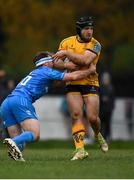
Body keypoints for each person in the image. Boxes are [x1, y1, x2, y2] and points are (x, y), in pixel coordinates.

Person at [0, 51, 96, 162]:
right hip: (20, 100)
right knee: (34, 134)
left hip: (7, 103)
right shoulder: (46, 71)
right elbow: (72, 77)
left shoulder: (37, 72)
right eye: (52, 61)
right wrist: (89, 71)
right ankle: (13, 141)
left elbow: (57, 81)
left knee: (19, 146)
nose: (54, 63)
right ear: (46, 63)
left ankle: (14, 151)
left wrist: (67, 67)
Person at [53, 16, 108, 160]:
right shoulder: (66, 42)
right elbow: (56, 63)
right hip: (72, 83)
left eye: (91, 28)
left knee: (92, 118)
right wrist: (65, 65)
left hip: (90, 83)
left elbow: (85, 60)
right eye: (86, 29)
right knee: (76, 114)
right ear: (79, 30)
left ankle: (97, 134)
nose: (90, 32)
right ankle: (80, 149)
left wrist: (67, 54)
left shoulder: (96, 44)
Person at [100, 72, 115, 143]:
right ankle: (100, 138)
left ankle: (107, 138)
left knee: (107, 124)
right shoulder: (101, 88)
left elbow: (112, 99)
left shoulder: (111, 88)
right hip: (102, 109)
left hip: (108, 110)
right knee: (100, 124)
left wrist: (111, 107)